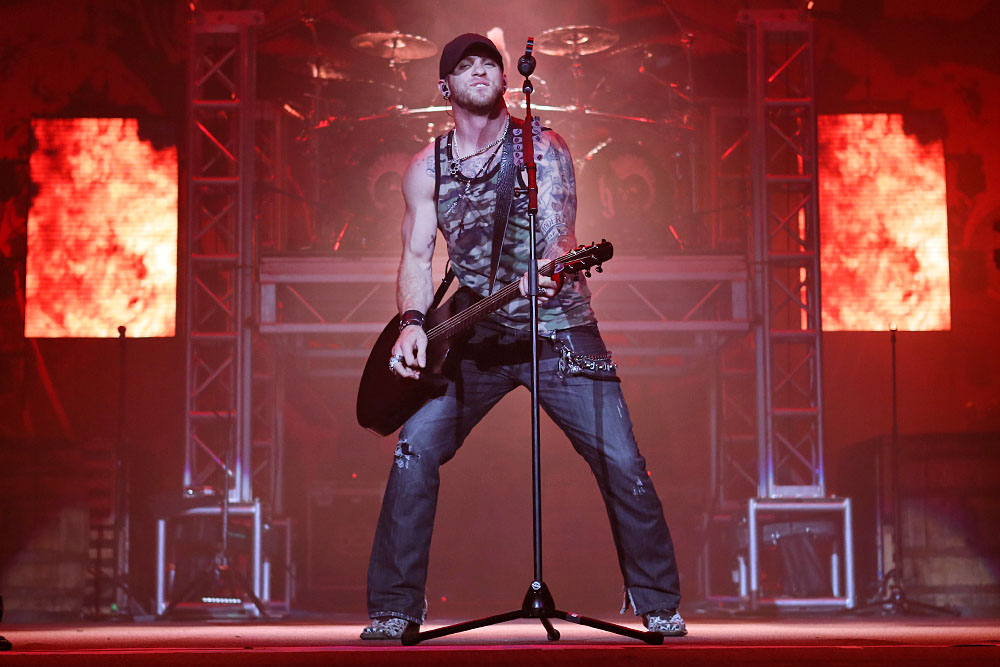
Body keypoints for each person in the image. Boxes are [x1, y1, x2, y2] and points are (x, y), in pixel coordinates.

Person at [361, 33, 685, 640]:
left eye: (489, 63)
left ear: (506, 81)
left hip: (557, 331)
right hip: (472, 337)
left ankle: (658, 601)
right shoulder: (426, 167)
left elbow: (559, 233)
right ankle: (394, 608)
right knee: (414, 450)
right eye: (465, 66)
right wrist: (411, 324)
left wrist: (550, 272)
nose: (479, 71)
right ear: (444, 87)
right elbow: (416, 256)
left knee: (621, 460)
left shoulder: (542, 147)